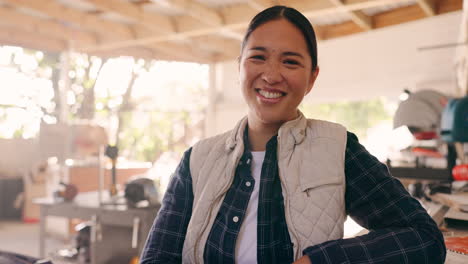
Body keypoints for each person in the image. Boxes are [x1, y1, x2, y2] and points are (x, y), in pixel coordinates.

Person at [140, 5, 446, 264]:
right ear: (240, 67)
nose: (272, 75)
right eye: (258, 57)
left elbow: (423, 237)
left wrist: (321, 260)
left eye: (290, 61)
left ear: (312, 77)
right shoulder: (196, 161)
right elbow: (158, 257)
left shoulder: (337, 149)